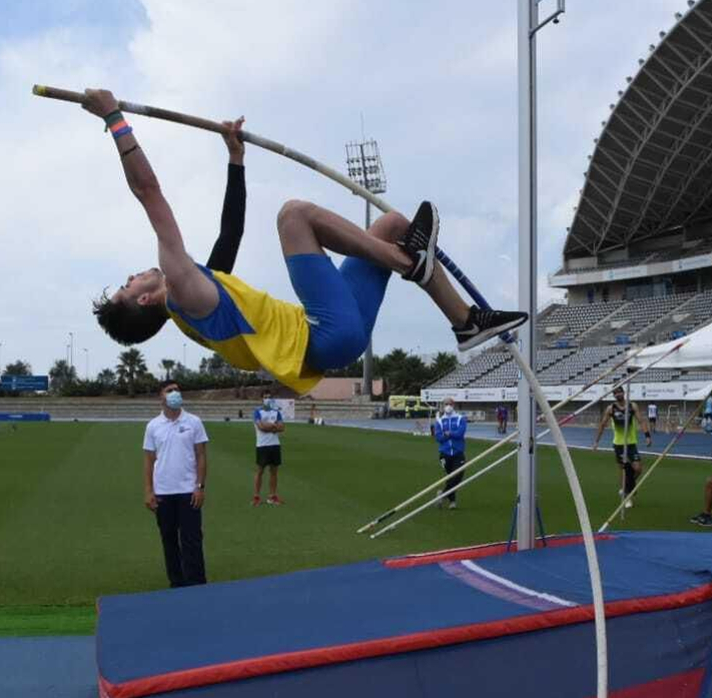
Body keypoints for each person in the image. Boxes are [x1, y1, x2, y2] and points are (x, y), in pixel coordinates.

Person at [82, 89, 527, 393]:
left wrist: (235, 160)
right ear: (143, 302)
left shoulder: (198, 298)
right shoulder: (182, 288)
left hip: (332, 335)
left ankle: (465, 321)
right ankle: (410, 265)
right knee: (294, 216)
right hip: (323, 336)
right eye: (127, 284)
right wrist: (114, 119)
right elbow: (148, 192)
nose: (132, 275)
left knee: (392, 224)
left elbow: (230, 235)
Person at [143, 380, 209, 588]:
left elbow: (201, 456)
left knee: (192, 540)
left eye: (177, 390)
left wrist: (199, 486)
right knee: (169, 540)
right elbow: (149, 460)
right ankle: (177, 583)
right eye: (170, 390)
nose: (175, 393)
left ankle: (196, 583)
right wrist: (148, 491)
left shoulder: (194, 422)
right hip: (163, 492)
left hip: (188, 491)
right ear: (161, 396)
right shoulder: (153, 426)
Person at [592, 385, 652, 504]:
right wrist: (596, 441)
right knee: (624, 469)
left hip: (631, 443)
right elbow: (602, 424)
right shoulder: (611, 409)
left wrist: (647, 436)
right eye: (615, 393)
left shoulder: (632, 406)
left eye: (619, 392)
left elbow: (641, 421)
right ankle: (627, 496)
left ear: (623, 393)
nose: (618, 394)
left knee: (638, 469)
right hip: (619, 444)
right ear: (613, 395)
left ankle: (627, 487)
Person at [431, 401, 468, 509]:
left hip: (458, 453)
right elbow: (438, 438)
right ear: (443, 406)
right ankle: (452, 502)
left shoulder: (460, 419)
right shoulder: (440, 421)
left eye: (450, 404)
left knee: (457, 476)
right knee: (451, 477)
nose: (448, 406)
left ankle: (442, 495)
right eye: (446, 404)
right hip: (444, 454)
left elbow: (460, 433)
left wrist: (449, 433)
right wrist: (450, 435)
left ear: (454, 405)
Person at [251, 391, 285, 506]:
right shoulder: (257, 412)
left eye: (269, 397)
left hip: (275, 445)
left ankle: (272, 496)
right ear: (261, 399)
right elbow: (261, 427)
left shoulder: (276, 412)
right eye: (265, 397)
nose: (267, 399)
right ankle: (256, 496)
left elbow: (282, 427)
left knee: (274, 472)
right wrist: (274, 426)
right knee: (260, 471)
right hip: (262, 445)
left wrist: (270, 426)